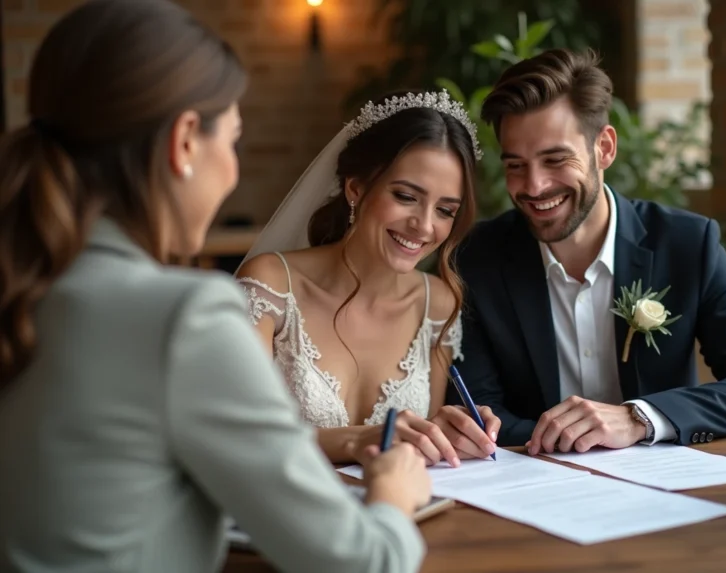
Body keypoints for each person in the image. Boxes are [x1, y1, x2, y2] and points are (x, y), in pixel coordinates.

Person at [0, 1, 430, 572]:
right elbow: (366, 562)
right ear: (183, 142)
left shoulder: (26, 282)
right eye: (232, 140)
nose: (231, 168)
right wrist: (395, 497)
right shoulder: (183, 318)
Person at [453, 48, 726, 454]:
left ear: (604, 148)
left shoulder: (687, 244)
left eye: (555, 159)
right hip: (534, 487)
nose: (533, 186)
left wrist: (641, 418)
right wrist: (565, 442)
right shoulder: (477, 259)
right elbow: (480, 410)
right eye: (515, 165)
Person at [235, 89, 500, 467]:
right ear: (356, 188)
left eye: (444, 210)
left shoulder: (438, 304)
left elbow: (417, 449)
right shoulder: (271, 285)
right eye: (406, 196)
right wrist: (361, 439)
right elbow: (241, 438)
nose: (424, 226)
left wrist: (442, 433)